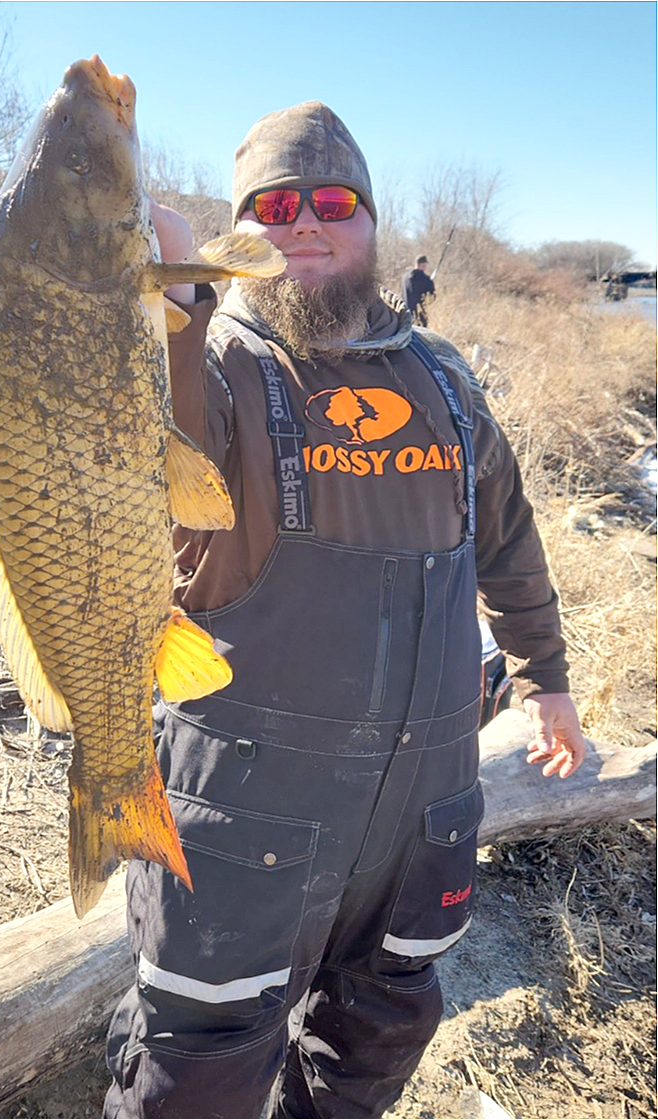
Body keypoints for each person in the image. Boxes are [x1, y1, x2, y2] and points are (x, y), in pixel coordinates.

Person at [103, 101, 585, 1120]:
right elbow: (154, 430)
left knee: (372, 1046)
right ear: (241, 228)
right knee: (192, 1075)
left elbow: (505, 534)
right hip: (243, 821)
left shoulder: (443, 375)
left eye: (333, 202)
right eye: (276, 206)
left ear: (372, 221)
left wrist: (544, 677)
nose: (307, 224)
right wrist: (173, 296)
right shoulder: (216, 363)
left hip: (425, 815)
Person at [402, 254, 436, 326]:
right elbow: (432, 295)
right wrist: (430, 282)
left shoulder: (405, 277)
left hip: (405, 312)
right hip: (419, 314)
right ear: (423, 265)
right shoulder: (424, 279)